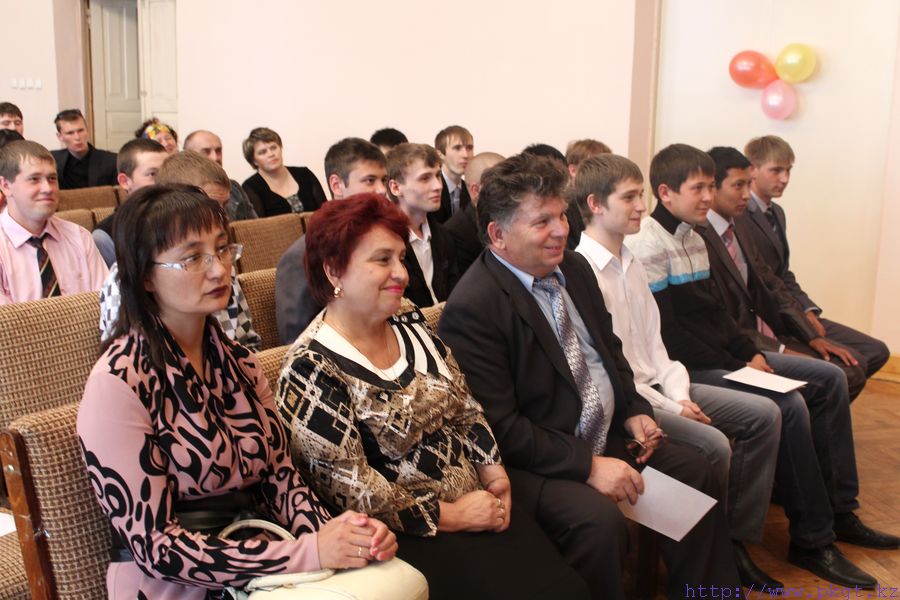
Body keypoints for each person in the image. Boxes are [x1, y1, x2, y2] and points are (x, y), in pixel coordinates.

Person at [438, 153, 741, 599]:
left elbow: (610, 351)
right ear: (498, 234)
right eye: (542, 222)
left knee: (695, 469)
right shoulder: (475, 307)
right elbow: (500, 428)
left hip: (604, 434)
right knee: (597, 523)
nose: (561, 230)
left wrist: (634, 409)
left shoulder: (573, 269)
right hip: (538, 463)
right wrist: (588, 466)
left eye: (562, 215)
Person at [77, 185, 397, 599]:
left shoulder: (239, 363)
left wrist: (346, 536)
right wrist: (308, 552)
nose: (219, 270)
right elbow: (155, 548)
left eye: (223, 249)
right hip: (172, 586)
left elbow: (281, 480)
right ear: (145, 276)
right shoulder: (118, 382)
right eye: (193, 258)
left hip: (260, 562)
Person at [275, 193, 590, 600]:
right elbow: (353, 489)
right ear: (334, 270)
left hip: (477, 502)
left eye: (401, 258)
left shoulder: (406, 318)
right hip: (407, 534)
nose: (401, 273)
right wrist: (453, 515)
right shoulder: (309, 368)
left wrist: (494, 472)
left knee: (565, 588)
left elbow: (465, 407)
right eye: (382, 260)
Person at [627, 143, 897, 589]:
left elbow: (717, 316)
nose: (708, 197)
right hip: (689, 368)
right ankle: (799, 540)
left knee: (829, 378)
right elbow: (672, 339)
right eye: (699, 188)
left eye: (711, 186)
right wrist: (740, 361)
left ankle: (838, 511)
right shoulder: (648, 243)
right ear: (666, 193)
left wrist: (747, 352)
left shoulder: (693, 236)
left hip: (722, 355)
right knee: (787, 405)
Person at [571, 153, 783, 588]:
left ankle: (720, 549)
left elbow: (657, 349)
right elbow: (615, 372)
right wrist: (672, 406)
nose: (641, 207)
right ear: (595, 204)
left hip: (662, 388)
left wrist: (681, 396)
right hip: (634, 401)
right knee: (712, 447)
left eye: (640, 196)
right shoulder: (582, 271)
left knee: (764, 415)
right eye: (629, 198)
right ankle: (699, 557)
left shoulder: (630, 261)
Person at [702, 147, 864, 393]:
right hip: (738, 345)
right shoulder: (700, 236)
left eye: (748, 184)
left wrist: (811, 335)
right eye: (738, 186)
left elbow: (772, 282)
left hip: (764, 331)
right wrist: (781, 350)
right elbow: (722, 317)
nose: (746, 194)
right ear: (713, 187)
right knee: (834, 377)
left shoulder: (739, 225)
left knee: (849, 367)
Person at [740, 135, 889, 398]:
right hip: (773, 317)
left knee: (875, 351)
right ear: (752, 169)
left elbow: (783, 273)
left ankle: (822, 410)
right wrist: (802, 324)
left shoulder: (777, 213)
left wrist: (807, 309)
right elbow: (763, 283)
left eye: (789, 170)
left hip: (793, 308)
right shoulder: (740, 216)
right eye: (776, 170)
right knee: (852, 368)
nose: (785, 178)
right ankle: (815, 414)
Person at [98, 151, 262, 350]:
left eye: (224, 207)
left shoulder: (220, 263)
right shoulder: (129, 276)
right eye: (193, 258)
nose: (221, 217)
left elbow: (248, 343)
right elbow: (125, 352)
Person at [275, 137, 388, 344]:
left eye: (384, 180)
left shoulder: (385, 241)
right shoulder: (301, 257)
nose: (381, 190)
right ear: (337, 185)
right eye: (370, 180)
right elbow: (297, 342)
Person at [0, 140, 107, 303]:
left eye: (52, 178)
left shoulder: (79, 237)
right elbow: (6, 319)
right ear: (6, 186)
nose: (48, 188)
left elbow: (105, 304)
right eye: (34, 179)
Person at [386, 143, 459, 308]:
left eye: (438, 175)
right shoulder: (385, 242)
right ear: (396, 187)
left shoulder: (444, 235)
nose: (438, 186)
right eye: (425, 178)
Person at [92, 138, 168, 266]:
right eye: (152, 174)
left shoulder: (184, 218)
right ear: (125, 181)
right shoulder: (106, 236)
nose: (165, 181)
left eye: (167, 171)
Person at [241, 127, 326, 216]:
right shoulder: (251, 187)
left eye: (273, 148)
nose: (271, 154)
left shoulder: (304, 174)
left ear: (280, 148)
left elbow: (326, 210)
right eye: (263, 152)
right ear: (254, 160)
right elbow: (258, 223)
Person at [444, 151, 504, 274]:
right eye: (500, 185)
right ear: (475, 190)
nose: (510, 191)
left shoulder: (508, 217)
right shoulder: (455, 232)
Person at [183, 129, 258, 221]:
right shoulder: (183, 192)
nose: (215, 157)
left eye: (218, 151)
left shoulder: (234, 187)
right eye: (206, 151)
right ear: (188, 156)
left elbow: (254, 223)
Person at [564, 138, 612, 249]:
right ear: (573, 170)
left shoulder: (602, 202)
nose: (605, 175)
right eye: (595, 168)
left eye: (607, 169)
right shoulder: (566, 208)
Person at [51, 109, 117, 189]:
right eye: (70, 133)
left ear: (87, 130)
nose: (77, 137)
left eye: (80, 131)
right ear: (60, 136)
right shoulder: (52, 160)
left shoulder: (111, 161)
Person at [433, 125, 474, 223]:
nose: (465, 155)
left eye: (469, 148)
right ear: (440, 154)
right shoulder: (430, 190)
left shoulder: (472, 191)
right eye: (457, 148)